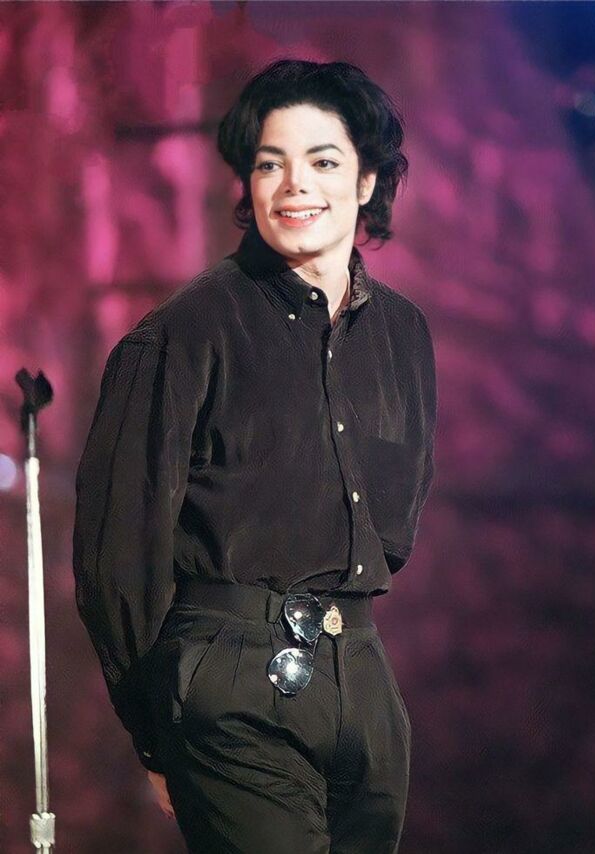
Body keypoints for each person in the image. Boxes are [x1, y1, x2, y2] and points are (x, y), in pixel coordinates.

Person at [72, 58, 437, 854]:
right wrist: (155, 728)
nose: (294, 184)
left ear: (367, 181)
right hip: (230, 678)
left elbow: (397, 519)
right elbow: (116, 558)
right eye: (271, 164)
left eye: (323, 161)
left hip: (364, 678)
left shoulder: (404, 333)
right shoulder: (186, 331)